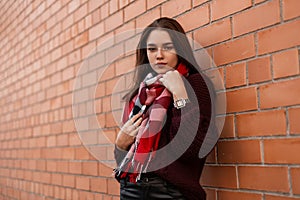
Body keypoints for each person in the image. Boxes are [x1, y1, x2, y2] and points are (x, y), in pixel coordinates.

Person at [113, 17, 215, 200]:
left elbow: (195, 149)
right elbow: (124, 159)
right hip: (129, 188)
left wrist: (181, 96)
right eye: (152, 49)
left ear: (179, 50)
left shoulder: (196, 84)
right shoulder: (140, 94)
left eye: (167, 47)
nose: (159, 55)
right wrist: (120, 144)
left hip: (168, 192)